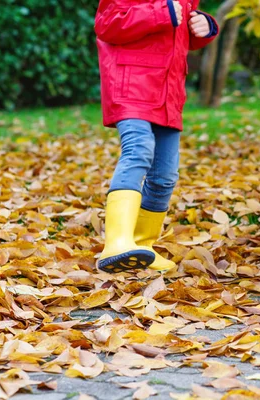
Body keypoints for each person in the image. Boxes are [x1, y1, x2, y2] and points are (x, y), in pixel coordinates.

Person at [94, 0, 218, 273]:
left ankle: (142, 245)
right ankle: (116, 242)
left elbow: (176, 37)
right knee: (138, 150)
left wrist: (202, 27)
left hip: (167, 92)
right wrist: (160, 13)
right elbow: (107, 25)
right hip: (131, 86)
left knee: (164, 176)